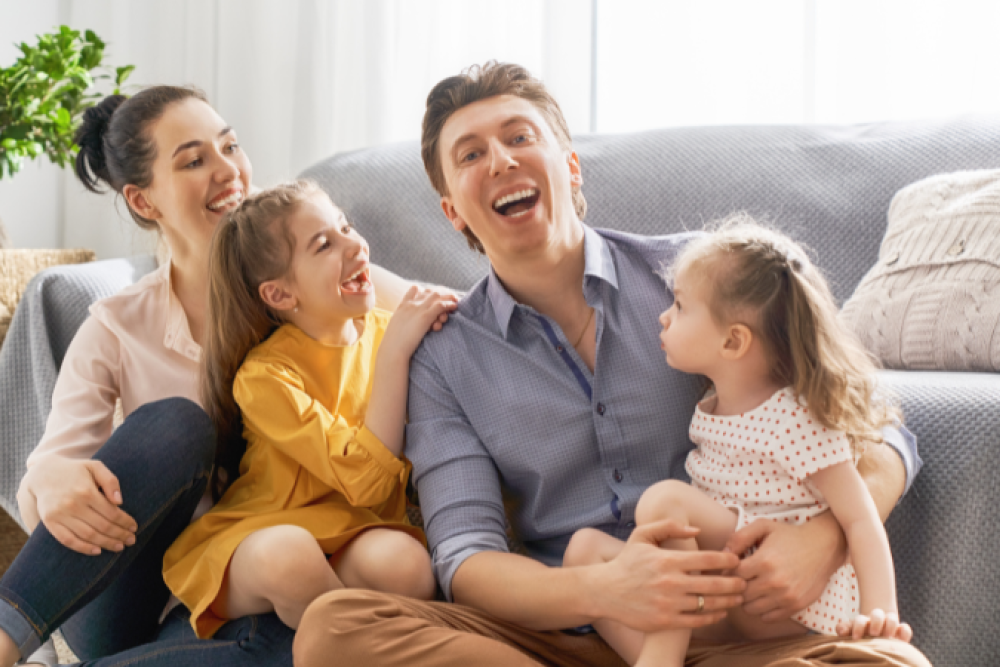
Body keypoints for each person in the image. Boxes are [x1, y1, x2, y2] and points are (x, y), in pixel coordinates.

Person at [293, 62, 930, 667]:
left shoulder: (698, 276)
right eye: (470, 154)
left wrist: (824, 536)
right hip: (562, 636)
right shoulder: (443, 357)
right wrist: (607, 591)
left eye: (519, 136)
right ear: (452, 211)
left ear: (570, 168)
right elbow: (466, 560)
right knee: (335, 629)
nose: (501, 160)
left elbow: (877, 426)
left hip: (745, 631)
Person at [0, 86, 419, 667]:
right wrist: (50, 475)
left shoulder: (324, 280)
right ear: (144, 202)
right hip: (138, 595)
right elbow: (48, 485)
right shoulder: (120, 327)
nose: (228, 171)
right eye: (194, 160)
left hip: (271, 585)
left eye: (230, 146)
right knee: (177, 425)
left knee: (286, 641)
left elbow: (449, 312)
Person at [563, 218, 913, 666]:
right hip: (726, 592)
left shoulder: (792, 416)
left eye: (681, 307)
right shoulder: (712, 404)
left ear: (733, 341)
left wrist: (880, 619)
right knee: (584, 552)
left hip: (784, 601)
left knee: (666, 501)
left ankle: (662, 659)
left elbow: (860, 519)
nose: (664, 316)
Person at [161, 181, 454, 638]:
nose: (354, 244)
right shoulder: (263, 378)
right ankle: (338, 642)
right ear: (280, 295)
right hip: (263, 536)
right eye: (324, 244)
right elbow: (365, 478)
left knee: (408, 566)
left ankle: (322, 632)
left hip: (352, 530)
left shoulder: (387, 332)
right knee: (291, 557)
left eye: (346, 227)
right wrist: (397, 351)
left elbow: (374, 502)